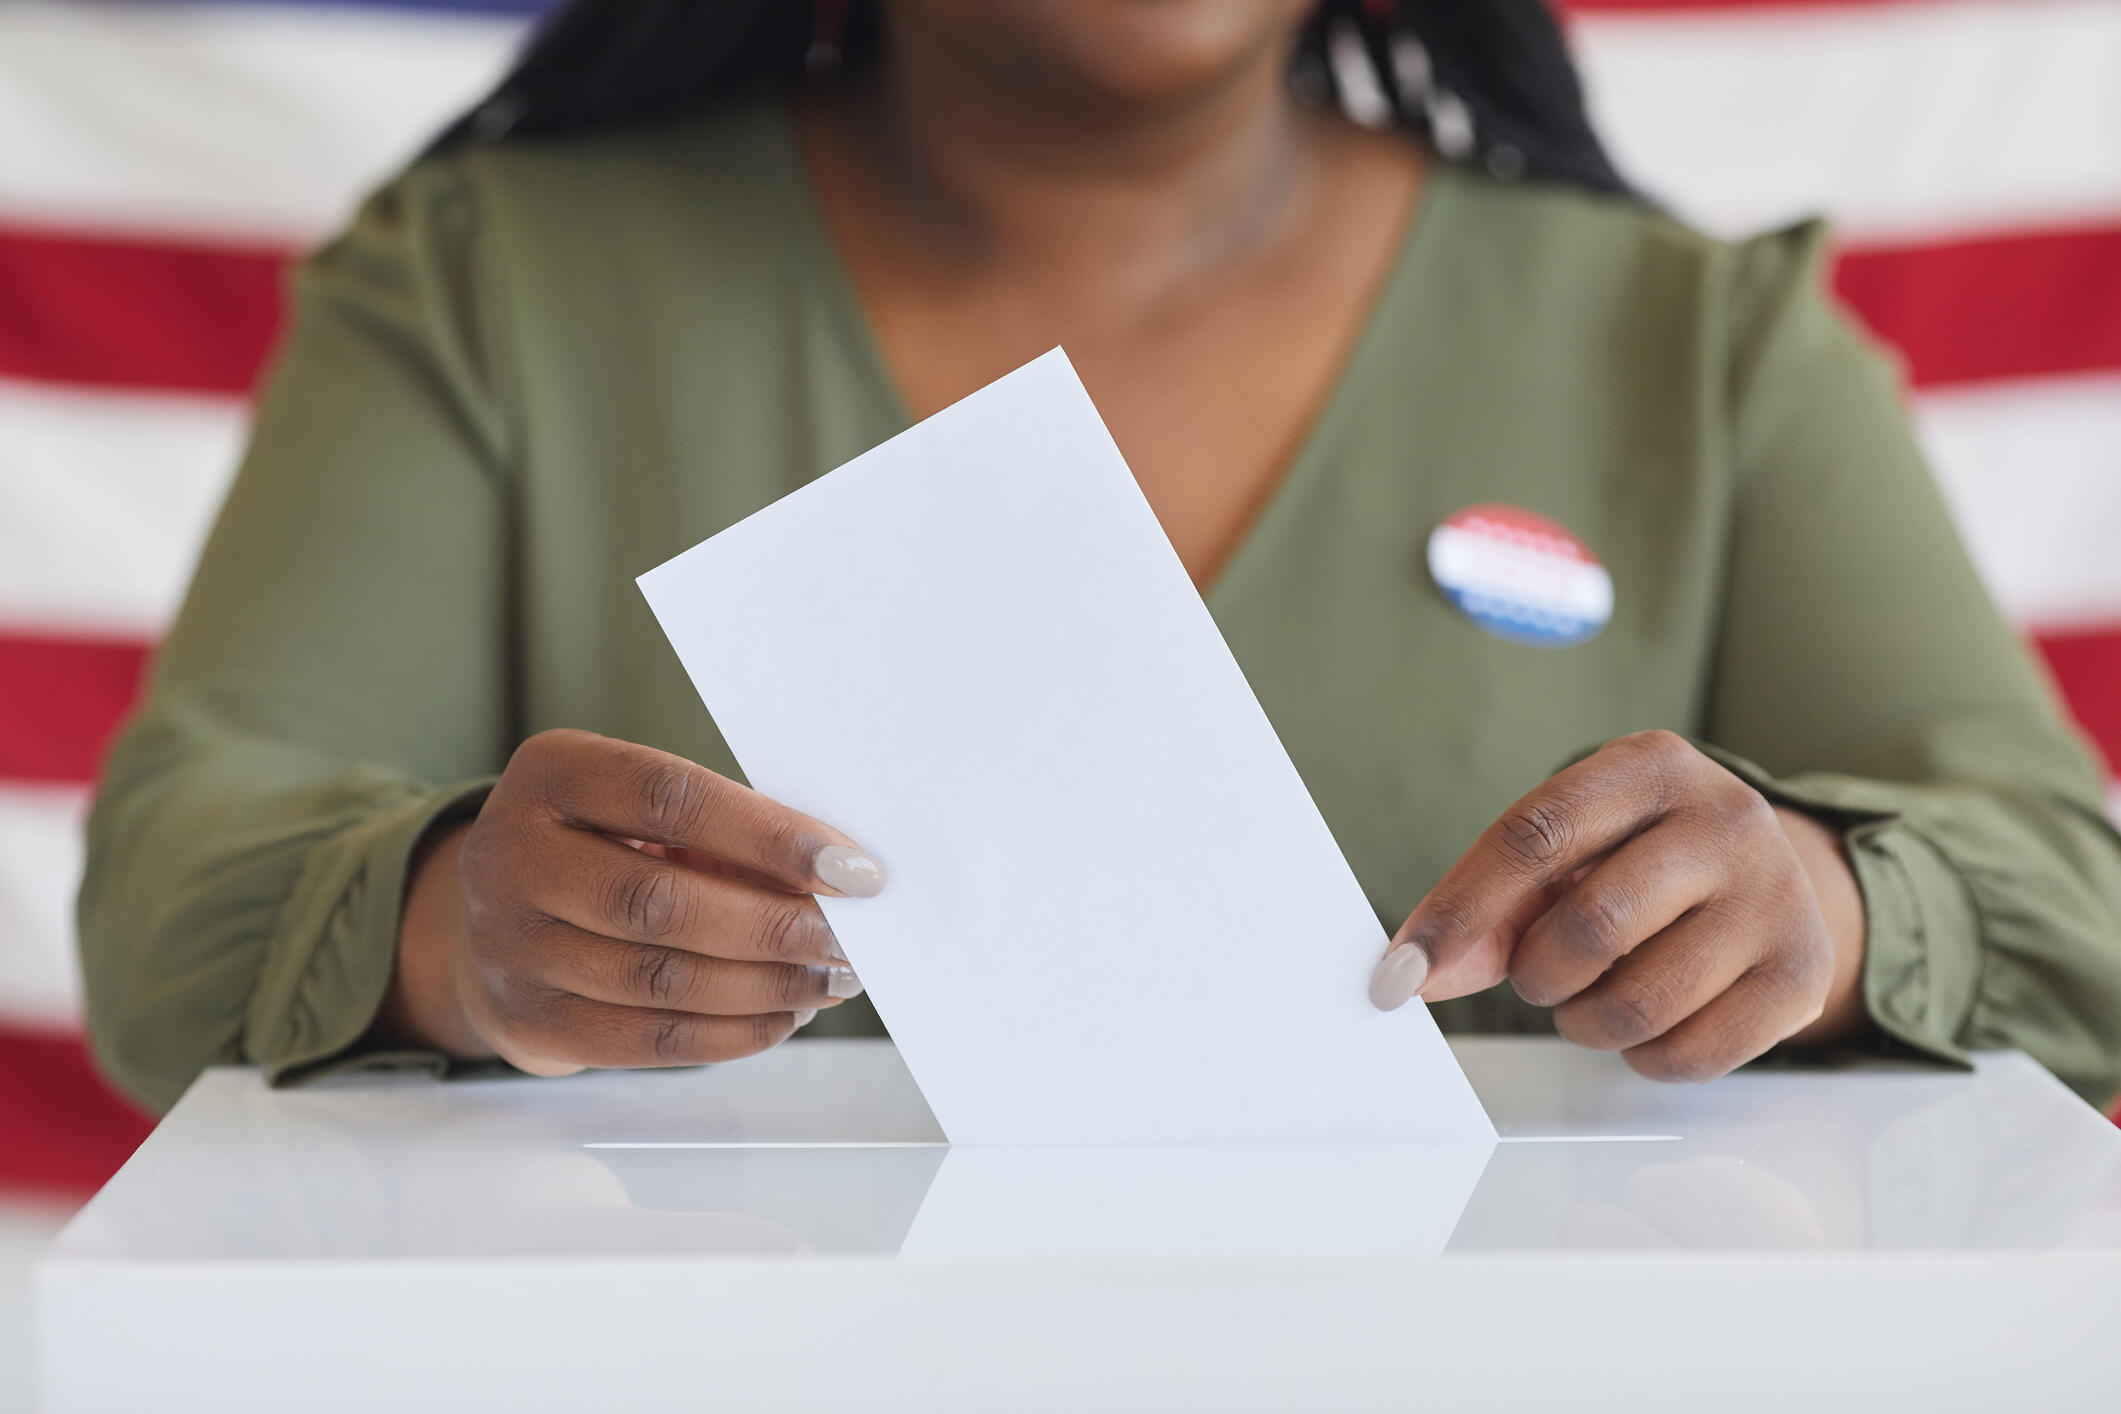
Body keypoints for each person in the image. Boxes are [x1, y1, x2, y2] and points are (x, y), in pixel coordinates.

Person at [79, 0, 2121, 1117]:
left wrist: (1827, 908)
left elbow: (2077, 905)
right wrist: (454, 924)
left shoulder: (1694, 346)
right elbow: (170, 900)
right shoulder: (485, 291)